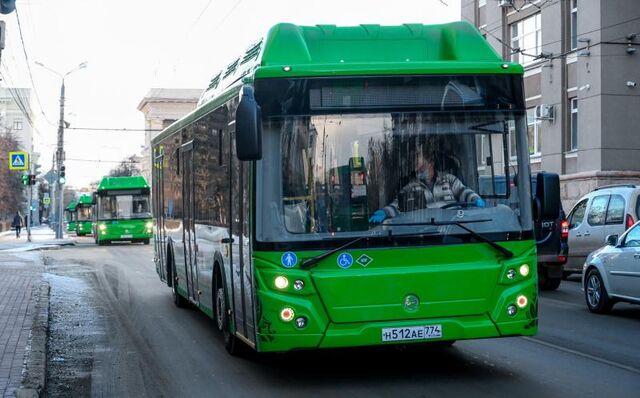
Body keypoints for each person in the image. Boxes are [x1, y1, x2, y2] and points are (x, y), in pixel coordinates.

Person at [369, 148, 485, 224]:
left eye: (421, 167)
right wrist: (385, 212)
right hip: (428, 233)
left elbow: (463, 191)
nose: (417, 170)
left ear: (431, 163)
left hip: (455, 228)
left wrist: (475, 198)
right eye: (416, 168)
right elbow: (397, 206)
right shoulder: (411, 187)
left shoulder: (448, 179)